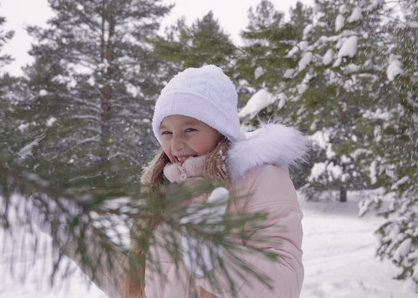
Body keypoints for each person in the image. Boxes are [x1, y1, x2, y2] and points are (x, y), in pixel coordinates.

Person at [65, 65, 306, 298]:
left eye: (189, 129)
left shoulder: (258, 179)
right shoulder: (164, 188)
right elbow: (136, 288)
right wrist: (72, 232)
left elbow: (286, 284)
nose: (176, 144)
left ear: (220, 130)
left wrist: (217, 263)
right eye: (166, 132)